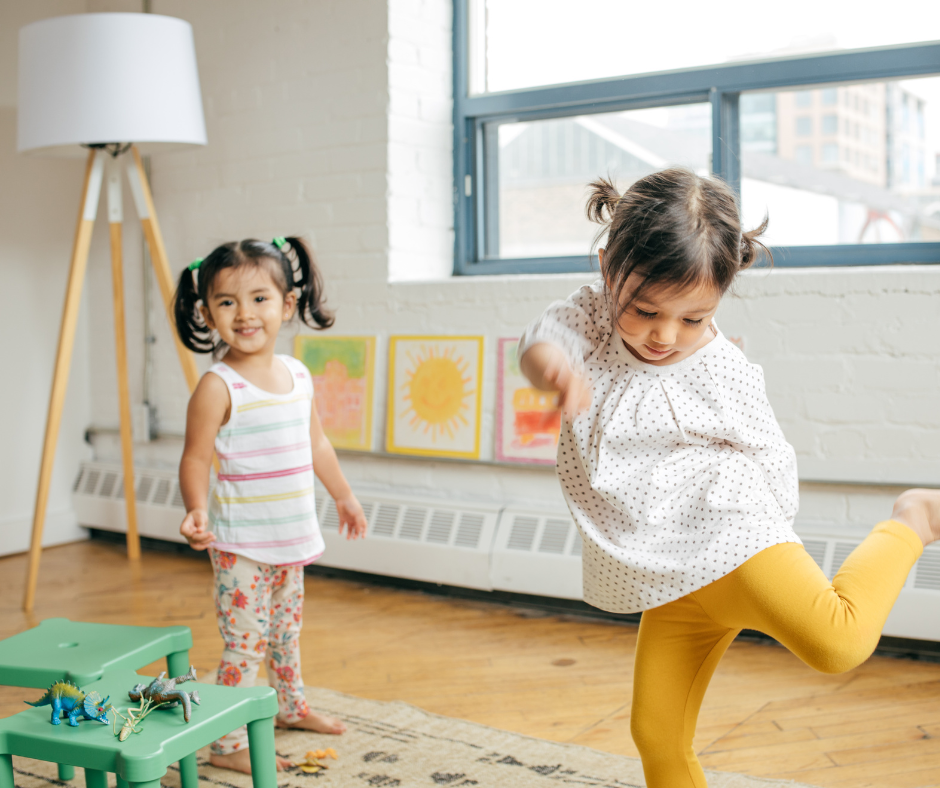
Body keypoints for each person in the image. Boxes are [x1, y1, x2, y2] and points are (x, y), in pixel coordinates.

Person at [517, 168, 940, 788]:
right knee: (656, 734)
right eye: (647, 310)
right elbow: (540, 341)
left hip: (733, 537)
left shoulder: (724, 369)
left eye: (693, 318)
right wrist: (552, 368)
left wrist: (777, 543)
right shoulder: (593, 318)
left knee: (838, 643)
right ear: (609, 270)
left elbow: (769, 452)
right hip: (664, 568)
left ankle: (914, 521)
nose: (665, 335)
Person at [174, 236, 368, 774]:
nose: (245, 314)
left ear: (286, 305)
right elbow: (195, 458)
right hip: (241, 547)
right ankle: (228, 739)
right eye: (227, 302)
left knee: (285, 634)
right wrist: (196, 509)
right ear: (207, 312)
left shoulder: (298, 375)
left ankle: (290, 707)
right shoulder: (217, 386)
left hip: (291, 540)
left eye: (259, 298)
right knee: (245, 645)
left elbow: (317, 445)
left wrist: (344, 496)